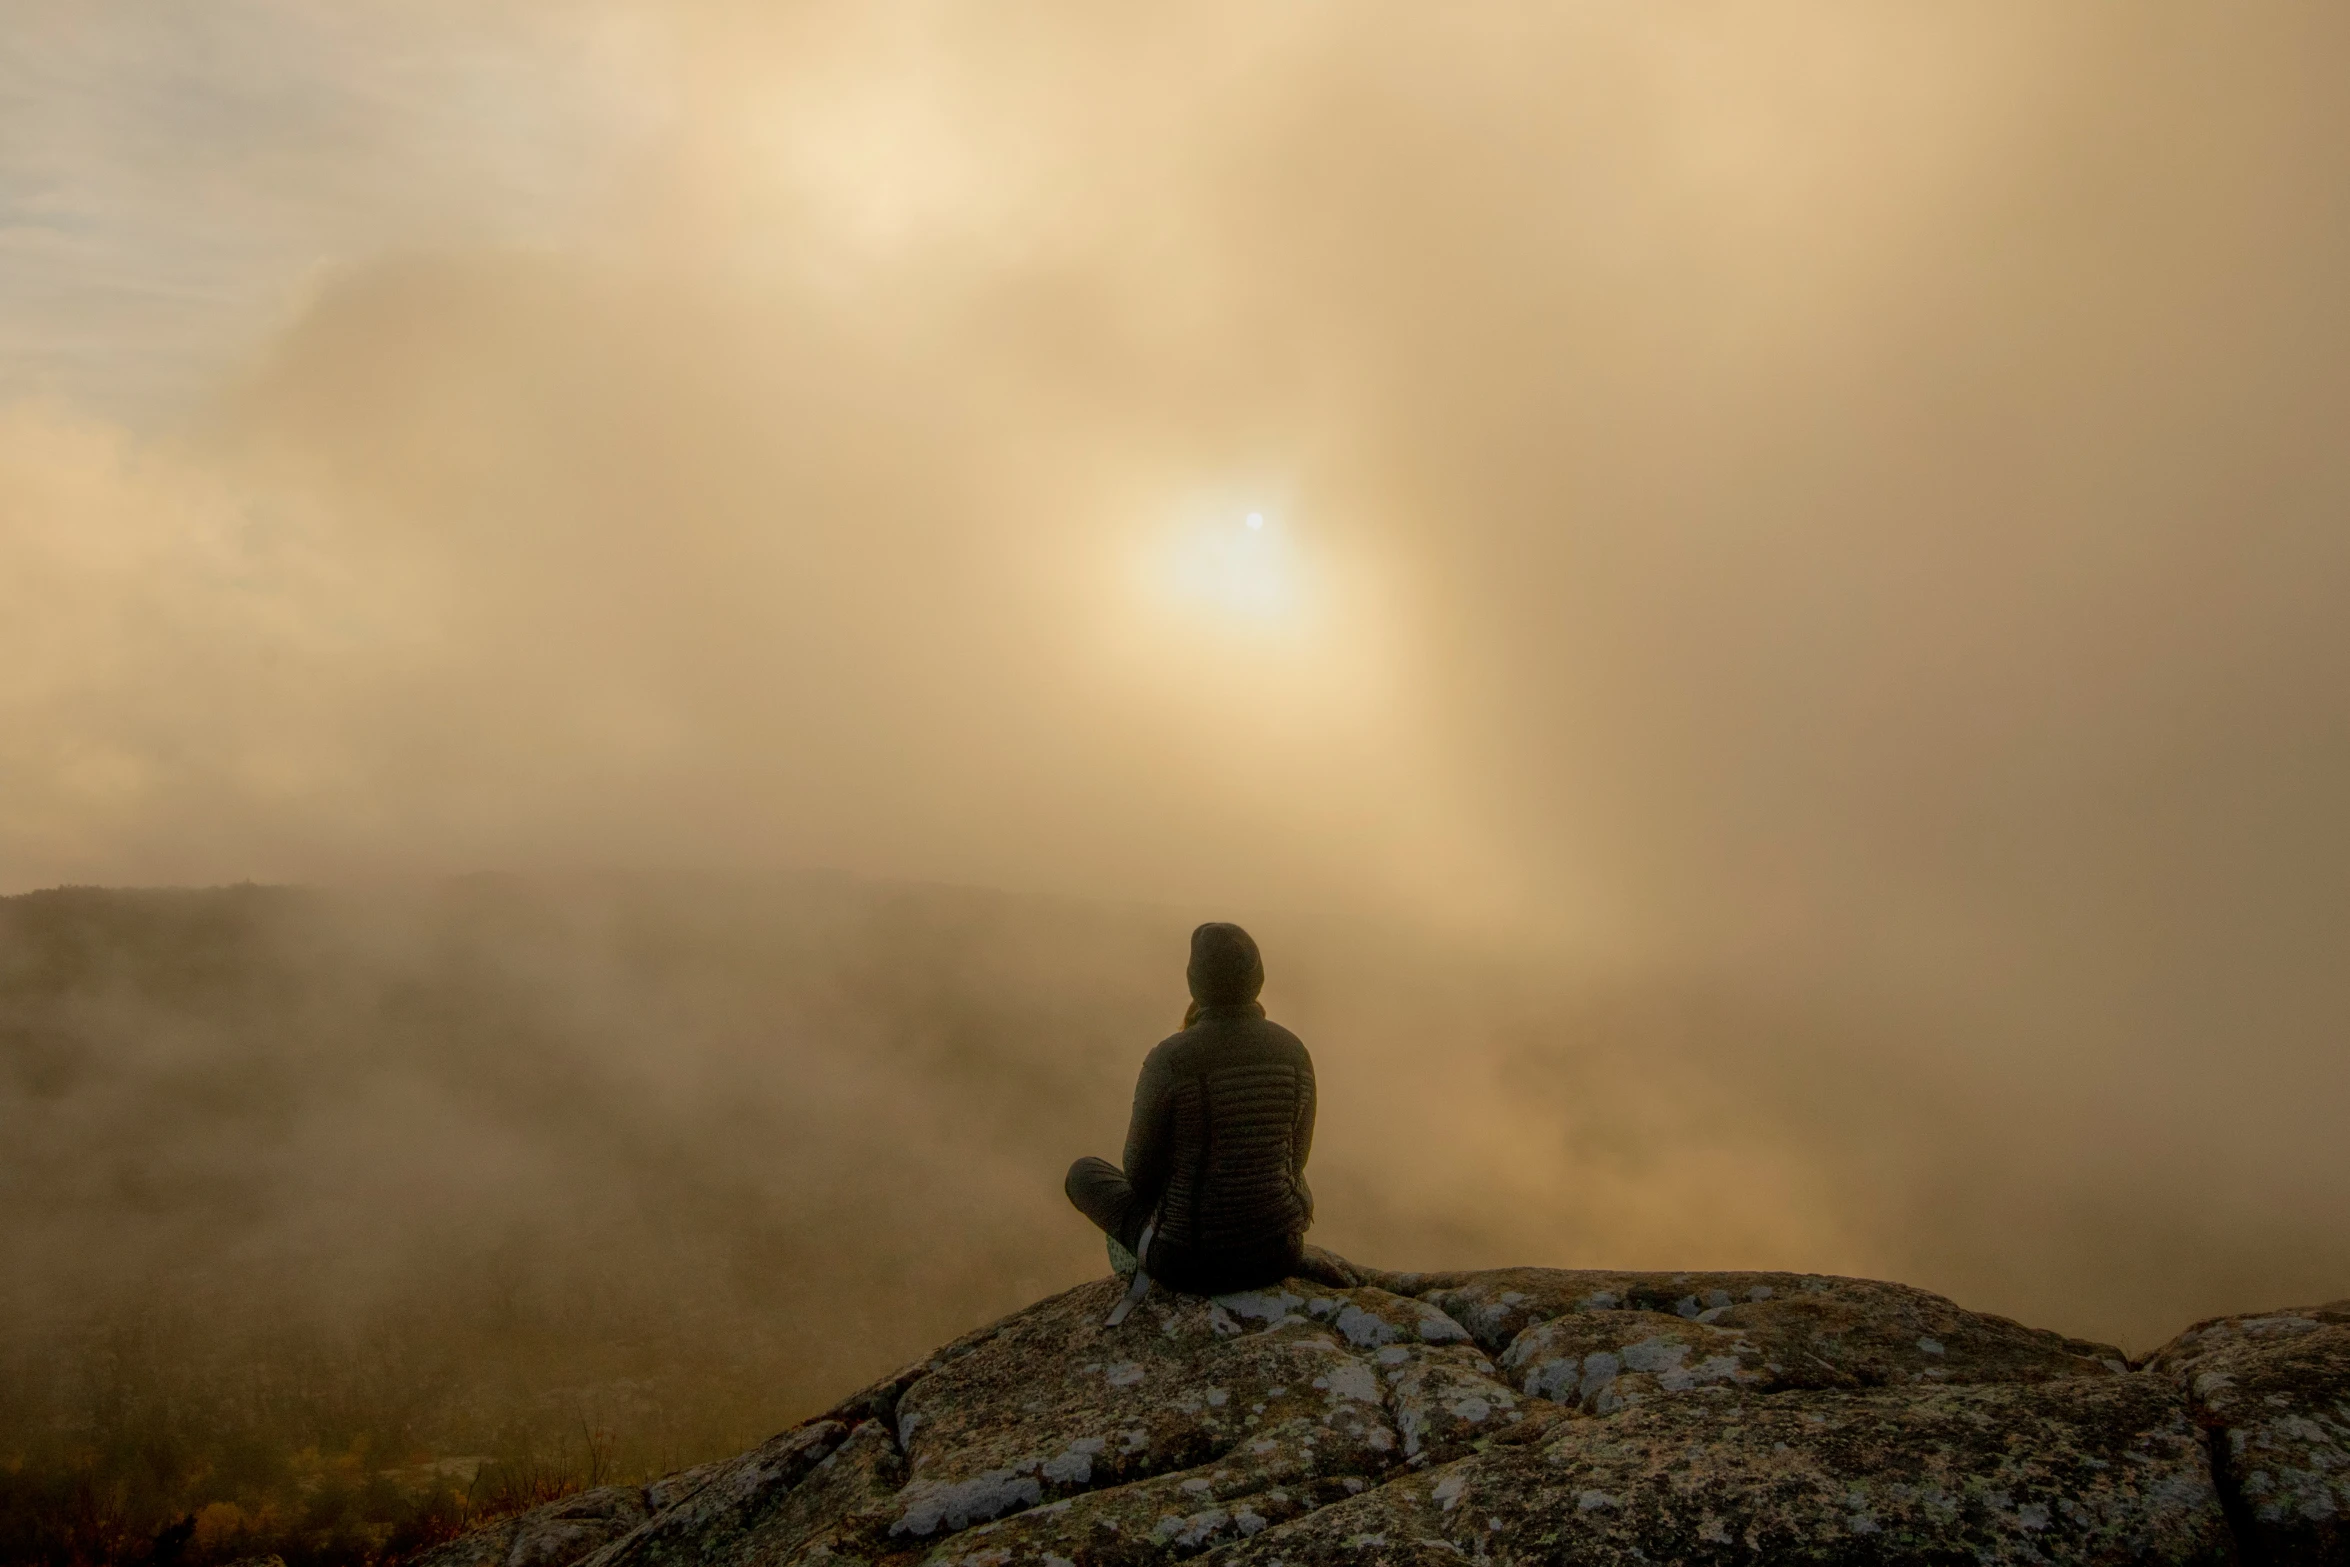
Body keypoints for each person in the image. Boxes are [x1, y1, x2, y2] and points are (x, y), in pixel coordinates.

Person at [1065, 922, 1317, 1302]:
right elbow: (1297, 1159)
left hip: (1187, 1263)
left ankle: (1140, 1267)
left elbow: (1140, 1177)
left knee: (1083, 1173)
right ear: (1258, 978)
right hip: (1278, 1255)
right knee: (1278, 1166)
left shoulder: (1171, 1058)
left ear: (1194, 982)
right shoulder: (1293, 1050)